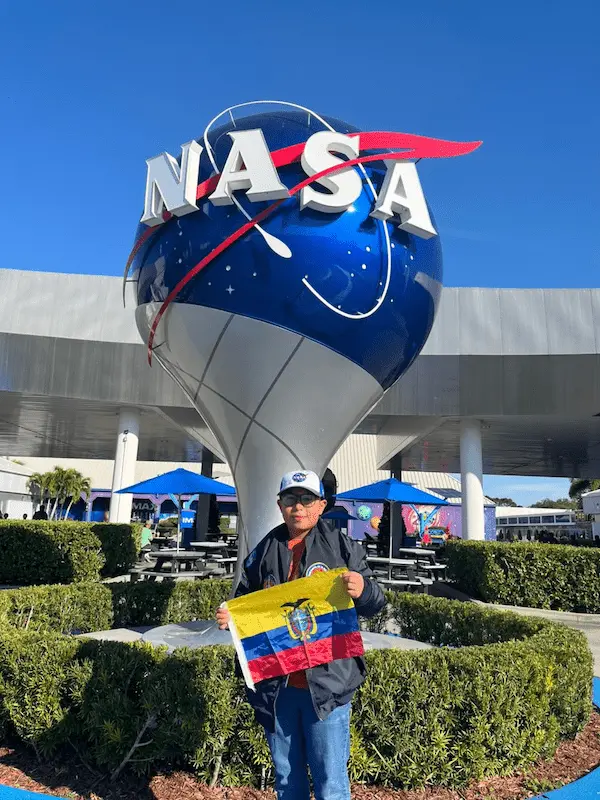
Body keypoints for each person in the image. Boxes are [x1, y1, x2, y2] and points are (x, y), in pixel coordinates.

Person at [216, 469, 385, 800]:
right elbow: (244, 600)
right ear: (280, 505)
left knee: (331, 783)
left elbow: (376, 601)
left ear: (321, 505)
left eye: (307, 498)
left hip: (327, 686)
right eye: (291, 499)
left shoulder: (342, 546)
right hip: (278, 690)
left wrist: (363, 589)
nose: (299, 506)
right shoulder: (263, 550)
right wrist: (230, 616)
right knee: (287, 782)